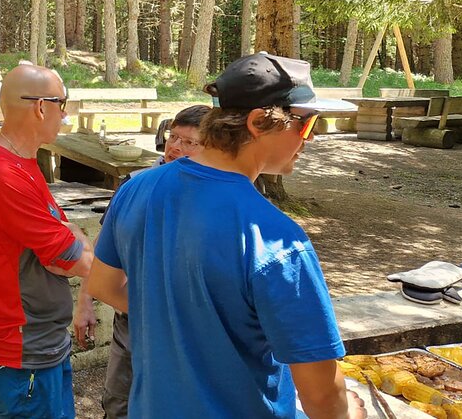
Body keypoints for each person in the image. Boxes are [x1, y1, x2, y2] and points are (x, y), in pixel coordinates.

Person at [88, 53, 364, 419]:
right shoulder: (276, 240)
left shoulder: (138, 188)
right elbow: (323, 398)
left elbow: (102, 285)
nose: (309, 138)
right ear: (258, 122)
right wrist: (352, 412)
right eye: (306, 123)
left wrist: (177, 321)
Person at [0, 64, 95, 418]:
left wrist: (73, 241)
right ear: (41, 107)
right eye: (61, 104)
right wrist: (76, 244)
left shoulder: (23, 162)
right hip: (21, 355)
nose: (64, 114)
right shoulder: (2, 173)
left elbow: (68, 236)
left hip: (41, 347)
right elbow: (76, 259)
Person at [100, 103, 209, 419]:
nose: (175, 147)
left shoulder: (216, 196)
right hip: (134, 316)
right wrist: (84, 306)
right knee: (119, 401)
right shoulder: (135, 185)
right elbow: (104, 256)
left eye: (189, 142)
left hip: (190, 323)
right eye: (173, 137)